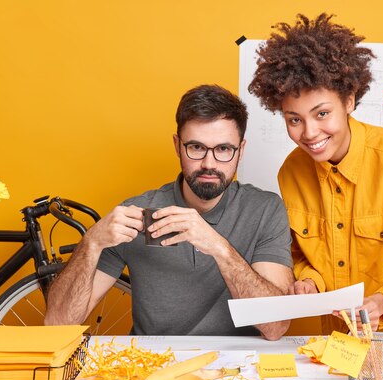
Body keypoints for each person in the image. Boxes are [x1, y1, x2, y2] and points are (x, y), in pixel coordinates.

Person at [248, 13, 383, 335]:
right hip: (337, 336)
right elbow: (298, 253)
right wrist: (309, 281)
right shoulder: (291, 172)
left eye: (322, 114)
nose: (309, 133)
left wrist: (381, 302)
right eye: (294, 119)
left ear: (349, 101)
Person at [44, 84, 294, 340]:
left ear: (240, 151)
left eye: (223, 149)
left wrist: (219, 247)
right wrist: (91, 243)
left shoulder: (265, 210)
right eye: (196, 148)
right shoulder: (136, 213)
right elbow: (57, 325)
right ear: (177, 146)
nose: (209, 164)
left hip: (237, 368)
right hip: (152, 364)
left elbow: (275, 327)